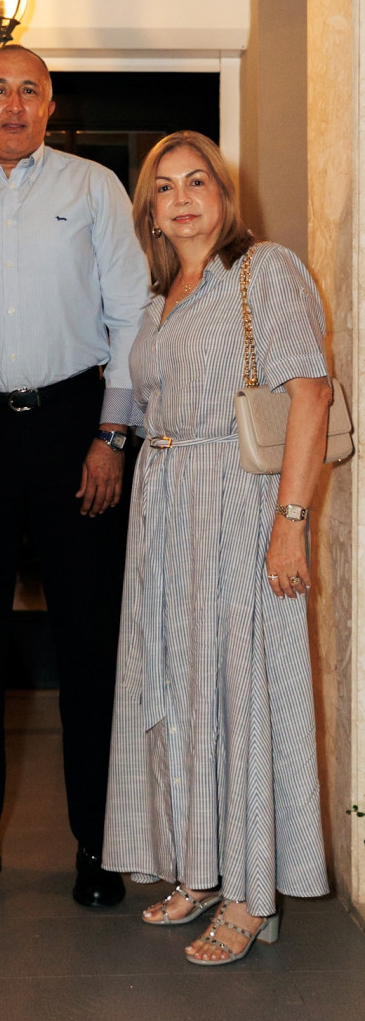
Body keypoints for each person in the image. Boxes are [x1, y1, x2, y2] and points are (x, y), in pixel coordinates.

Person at [0, 45, 149, 907]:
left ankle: (98, 843)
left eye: (31, 92)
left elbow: (130, 313)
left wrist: (110, 436)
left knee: (89, 645)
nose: (13, 105)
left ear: (52, 106)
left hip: (73, 424)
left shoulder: (93, 189)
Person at [102, 130, 332, 964]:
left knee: (237, 691)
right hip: (163, 510)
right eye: (166, 187)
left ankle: (247, 894)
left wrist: (290, 522)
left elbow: (309, 395)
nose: (184, 196)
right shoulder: (162, 296)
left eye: (199, 180)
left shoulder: (262, 272)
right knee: (181, 683)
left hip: (235, 503)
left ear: (224, 196)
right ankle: (200, 867)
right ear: (152, 213)